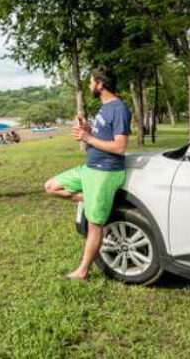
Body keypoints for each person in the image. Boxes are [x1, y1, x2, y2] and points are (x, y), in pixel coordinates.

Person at [43, 66, 131, 280]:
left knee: (94, 225)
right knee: (51, 186)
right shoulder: (103, 108)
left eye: (92, 81)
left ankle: (82, 272)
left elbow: (120, 147)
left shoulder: (119, 108)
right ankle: (96, 200)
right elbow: (102, 137)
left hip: (105, 172)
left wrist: (87, 138)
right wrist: (87, 130)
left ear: (101, 84)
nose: (90, 85)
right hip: (89, 168)